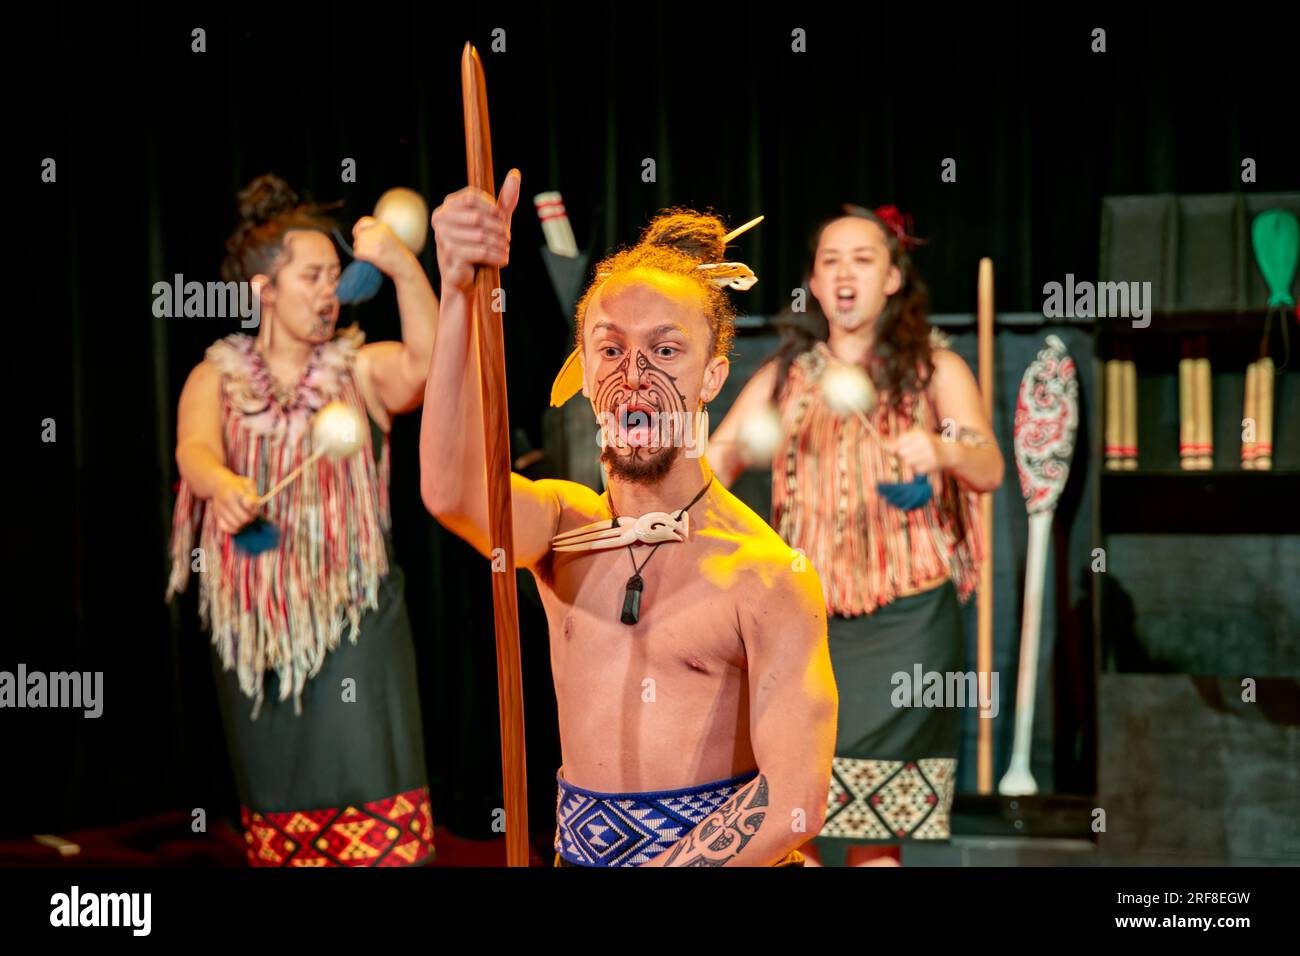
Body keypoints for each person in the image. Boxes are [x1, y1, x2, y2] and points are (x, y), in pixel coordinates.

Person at [420, 170, 837, 867]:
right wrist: (458, 290)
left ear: (711, 376)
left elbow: (796, 798)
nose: (634, 373)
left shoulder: (766, 575)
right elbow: (449, 491)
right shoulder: (562, 530)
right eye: (610, 349)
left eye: (666, 350)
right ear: (583, 371)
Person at [710, 205, 1004, 866]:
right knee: (795, 822)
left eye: (863, 260)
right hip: (808, 627)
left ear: (893, 279)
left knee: (875, 836)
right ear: (814, 282)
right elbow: (716, 464)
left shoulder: (936, 371)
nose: (845, 275)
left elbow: (987, 467)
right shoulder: (786, 377)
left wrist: (944, 448)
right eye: (831, 261)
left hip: (906, 625)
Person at [167, 174, 438, 866]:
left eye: (334, 276)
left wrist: (405, 267)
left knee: (377, 812)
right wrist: (222, 482)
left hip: (355, 622)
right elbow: (193, 448)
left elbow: (427, 367)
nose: (328, 291)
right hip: (258, 627)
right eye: (311, 276)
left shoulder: (360, 371)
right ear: (265, 290)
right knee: (284, 819)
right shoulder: (216, 377)